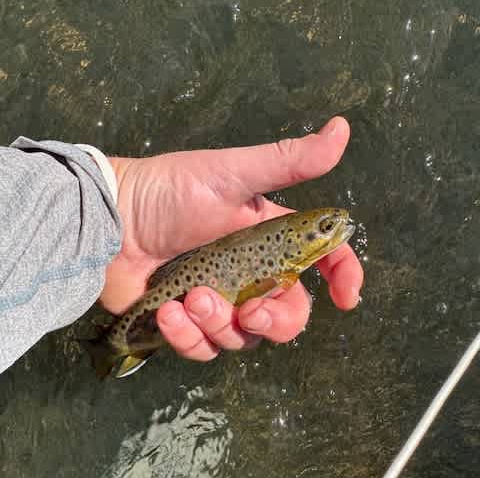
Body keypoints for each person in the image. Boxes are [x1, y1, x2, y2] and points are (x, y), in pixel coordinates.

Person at [0, 116, 363, 374]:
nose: (339, 226)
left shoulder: (284, 263)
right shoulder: (281, 270)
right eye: (327, 226)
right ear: (293, 245)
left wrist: (118, 201)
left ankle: (119, 343)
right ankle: (116, 345)